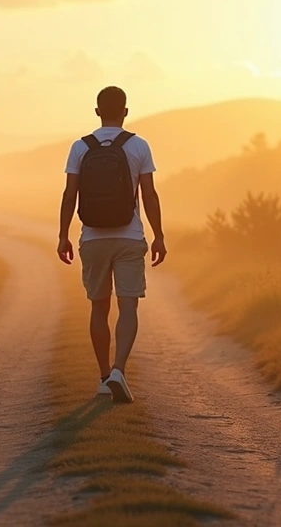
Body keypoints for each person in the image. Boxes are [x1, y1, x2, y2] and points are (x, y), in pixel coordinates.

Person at [57, 85, 166, 403]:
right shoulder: (139, 145)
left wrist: (63, 235)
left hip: (93, 237)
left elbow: (70, 194)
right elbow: (149, 195)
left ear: (97, 112)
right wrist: (158, 235)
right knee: (128, 306)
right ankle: (119, 369)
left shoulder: (80, 147)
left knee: (99, 307)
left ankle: (105, 376)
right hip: (129, 236)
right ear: (126, 111)